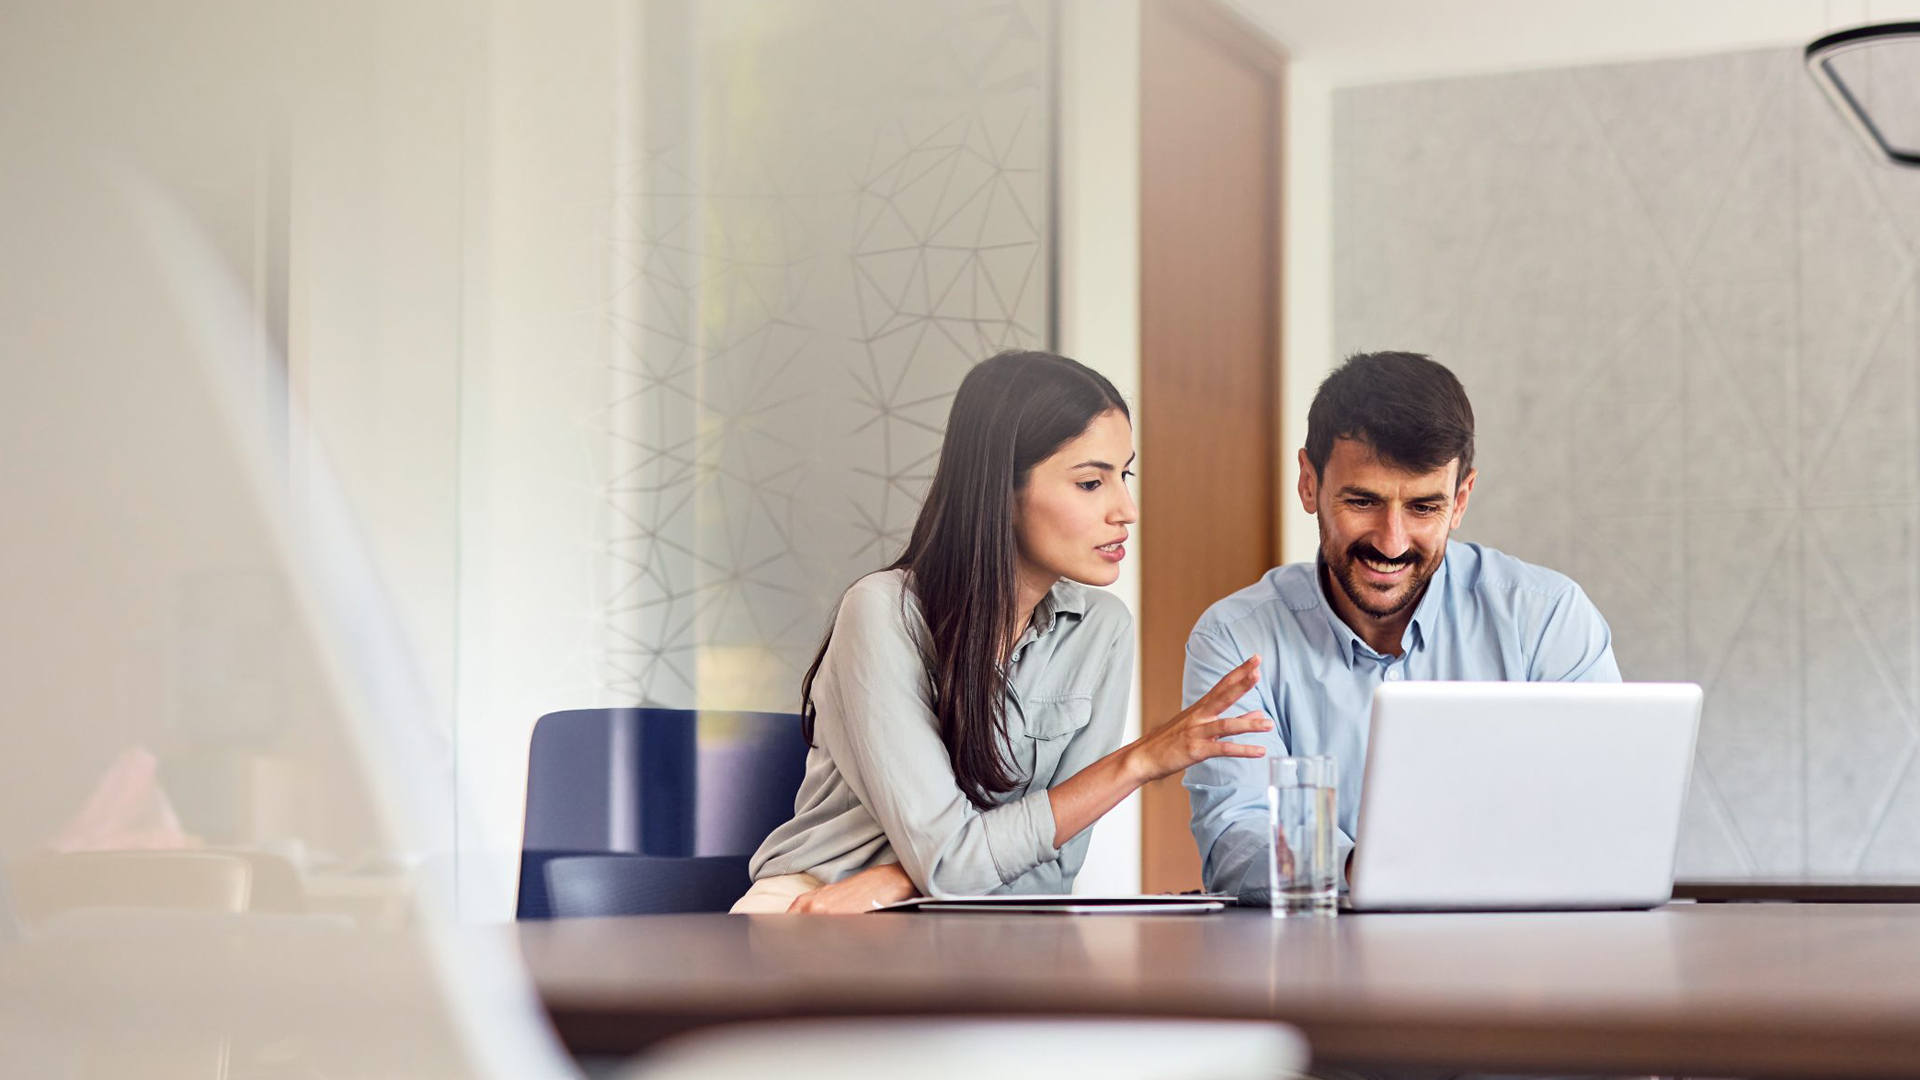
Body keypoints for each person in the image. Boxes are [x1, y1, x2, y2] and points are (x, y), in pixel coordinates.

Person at [735, 350, 1272, 914]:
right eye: (1091, 482)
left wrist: (901, 881)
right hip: (819, 913)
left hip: (971, 919)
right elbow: (949, 863)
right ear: (1001, 490)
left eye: (1125, 474)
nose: (1127, 509)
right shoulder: (882, 613)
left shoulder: (1102, 630)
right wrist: (1138, 761)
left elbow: (1054, 872)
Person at [1184, 351, 1621, 903]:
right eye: (1363, 501)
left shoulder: (1547, 619)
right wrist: (1364, 868)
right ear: (1309, 484)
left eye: (1423, 507)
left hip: (1516, 963)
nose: (1391, 543)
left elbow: (1602, 815)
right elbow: (1233, 836)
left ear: (1460, 500)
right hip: (1319, 969)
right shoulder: (1235, 638)